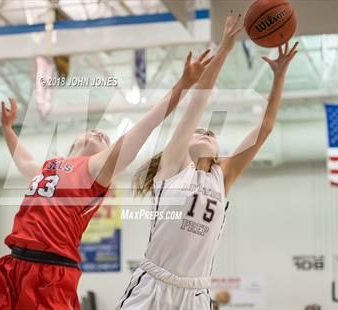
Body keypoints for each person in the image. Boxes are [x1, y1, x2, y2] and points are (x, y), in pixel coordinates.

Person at [0, 46, 214, 310]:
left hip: (51, 272)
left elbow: (148, 123)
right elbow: (22, 159)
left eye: (107, 138)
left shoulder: (96, 169)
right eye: (93, 130)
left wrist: (183, 84)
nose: (100, 132)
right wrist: (8, 129)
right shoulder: (48, 167)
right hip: (12, 265)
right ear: (71, 145)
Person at [118, 12, 298, 310]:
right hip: (152, 285)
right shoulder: (173, 167)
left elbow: (264, 128)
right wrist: (225, 46)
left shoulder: (223, 176)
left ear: (216, 152)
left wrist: (279, 77)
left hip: (196, 293)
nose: (204, 131)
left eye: (210, 133)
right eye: (198, 130)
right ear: (182, 144)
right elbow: (199, 102)